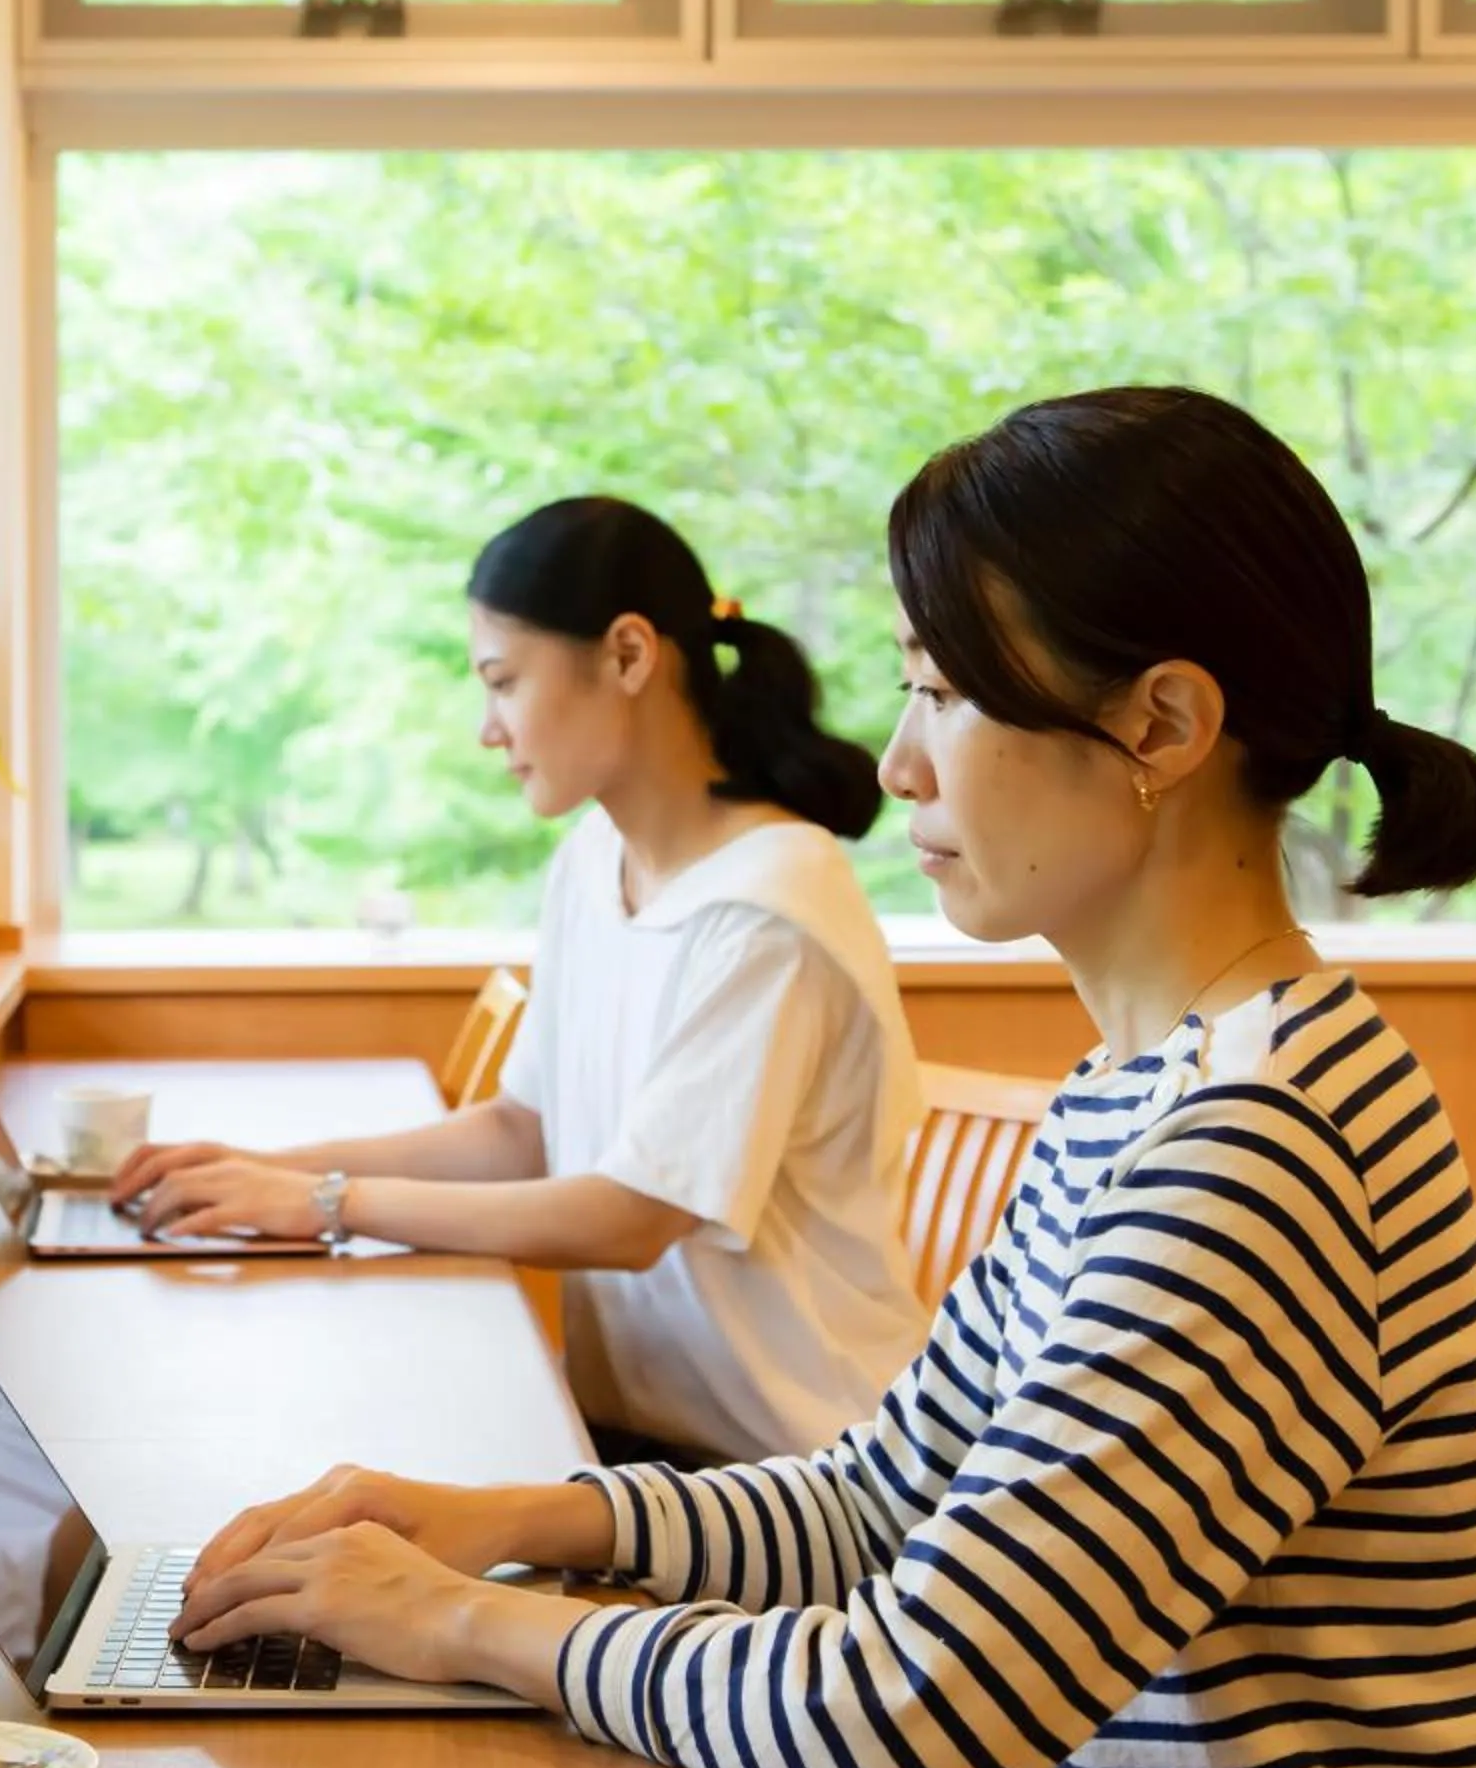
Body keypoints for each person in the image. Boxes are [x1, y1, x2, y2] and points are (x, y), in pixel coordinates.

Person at [153, 390, 1476, 1768]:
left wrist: (460, 1620)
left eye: (946, 694)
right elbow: (881, 1495)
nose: (897, 764)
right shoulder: (1143, 1086)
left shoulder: (1257, 1147)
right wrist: (499, 1519)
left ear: (1162, 726)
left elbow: (904, 1717)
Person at [113, 497, 929, 1465]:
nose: (487, 731)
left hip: (799, 1469)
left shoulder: (770, 901)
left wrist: (328, 1201)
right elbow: (521, 1129)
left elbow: (630, 1215)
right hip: (645, 1452)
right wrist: (265, 1169)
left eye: (503, 682)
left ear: (630, 655)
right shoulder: (596, 856)